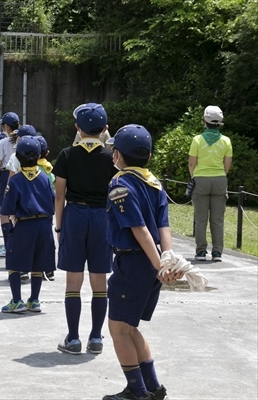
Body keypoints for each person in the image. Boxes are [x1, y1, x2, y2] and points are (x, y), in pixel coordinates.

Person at [103, 124, 182, 400]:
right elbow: (164, 228)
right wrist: (167, 261)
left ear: (117, 155)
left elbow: (139, 229)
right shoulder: (155, 183)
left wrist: (162, 265)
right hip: (151, 263)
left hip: (133, 263)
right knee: (129, 326)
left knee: (117, 329)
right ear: (148, 157)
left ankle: (137, 393)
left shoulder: (120, 184)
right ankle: (153, 388)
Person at [55, 103, 117, 355]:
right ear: (104, 129)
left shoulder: (66, 155)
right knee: (99, 280)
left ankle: (73, 338)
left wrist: (59, 227)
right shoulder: (110, 158)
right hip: (102, 216)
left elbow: (60, 195)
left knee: (73, 280)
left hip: (75, 215)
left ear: (77, 128)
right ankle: (95, 338)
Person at [0, 136, 55, 313]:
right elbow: (53, 201)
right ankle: (34, 300)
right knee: (38, 264)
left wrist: (8, 230)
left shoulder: (16, 180)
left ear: (18, 157)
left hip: (25, 225)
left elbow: (7, 208)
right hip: (44, 226)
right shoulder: (45, 178)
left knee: (14, 262)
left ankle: (17, 300)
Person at [188, 106, 233, 262]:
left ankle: (201, 252)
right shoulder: (226, 141)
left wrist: (194, 177)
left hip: (201, 179)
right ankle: (217, 253)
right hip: (220, 179)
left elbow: (192, 164)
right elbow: (227, 164)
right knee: (217, 219)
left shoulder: (197, 140)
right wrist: (221, 176)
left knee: (200, 219)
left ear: (205, 120)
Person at [0, 112, 20, 257]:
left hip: (5, 174)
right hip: (22, 175)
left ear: (6, 126)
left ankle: (8, 246)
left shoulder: (3, 142)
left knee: (4, 211)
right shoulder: (23, 139)